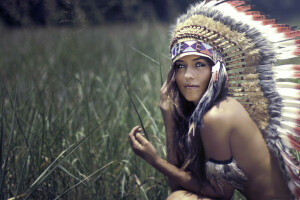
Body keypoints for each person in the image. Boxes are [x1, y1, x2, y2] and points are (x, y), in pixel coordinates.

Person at [128, 0, 300, 199]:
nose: (188, 75)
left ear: (215, 71)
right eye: (181, 66)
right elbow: (178, 186)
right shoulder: (206, 113)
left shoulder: (217, 116)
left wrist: (155, 160)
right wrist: (168, 117)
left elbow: (220, 194)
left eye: (199, 64)